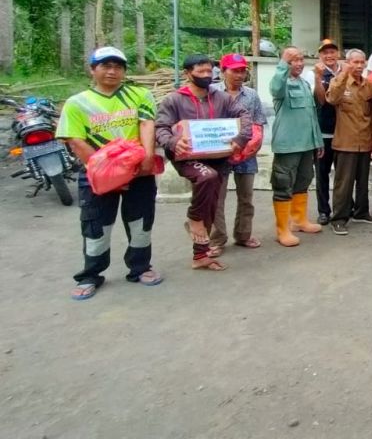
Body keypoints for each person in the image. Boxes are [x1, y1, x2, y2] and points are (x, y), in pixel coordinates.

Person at [57, 46, 161, 300]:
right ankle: (91, 274)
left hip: (139, 173)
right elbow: (76, 140)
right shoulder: (77, 103)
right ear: (93, 70)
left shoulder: (140, 95)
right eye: (105, 66)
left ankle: (139, 267)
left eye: (118, 67)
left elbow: (146, 123)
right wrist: (107, 173)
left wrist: (147, 157)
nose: (112, 71)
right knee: (96, 226)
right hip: (97, 175)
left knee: (140, 223)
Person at [155, 54, 251, 272]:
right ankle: (193, 218)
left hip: (218, 157)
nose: (207, 76)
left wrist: (241, 138)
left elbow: (244, 115)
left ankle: (200, 255)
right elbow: (161, 127)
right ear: (187, 74)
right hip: (188, 157)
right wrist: (172, 142)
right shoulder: (174, 100)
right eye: (201, 72)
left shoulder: (221, 98)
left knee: (212, 203)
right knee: (207, 177)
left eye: (210, 72)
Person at [209, 53, 267, 254]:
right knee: (217, 198)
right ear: (223, 71)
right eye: (235, 70)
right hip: (219, 154)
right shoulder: (210, 93)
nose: (239, 75)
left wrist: (254, 146)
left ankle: (243, 234)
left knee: (246, 196)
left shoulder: (251, 95)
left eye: (243, 71)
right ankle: (216, 240)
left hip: (246, 153)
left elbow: (258, 122)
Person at [269, 46, 324, 247]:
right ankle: (282, 229)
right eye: (294, 60)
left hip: (306, 144)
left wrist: (317, 141)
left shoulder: (302, 83)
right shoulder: (281, 83)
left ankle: (299, 220)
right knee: (283, 184)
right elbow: (275, 88)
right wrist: (283, 62)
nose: (299, 63)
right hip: (287, 145)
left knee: (303, 180)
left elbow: (311, 116)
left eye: (301, 59)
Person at [327, 48, 372, 235]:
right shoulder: (339, 82)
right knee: (344, 183)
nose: (358, 66)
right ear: (347, 63)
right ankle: (339, 218)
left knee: (363, 181)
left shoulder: (368, 85)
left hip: (364, 141)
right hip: (345, 142)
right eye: (354, 62)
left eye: (361, 62)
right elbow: (332, 98)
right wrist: (343, 75)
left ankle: (361, 212)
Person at [312, 38, 339, 224]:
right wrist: (317, 78)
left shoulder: (344, 71)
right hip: (323, 133)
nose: (329, 55)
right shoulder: (314, 73)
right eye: (325, 52)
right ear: (320, 55)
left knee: (344, 175)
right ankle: (323, 210)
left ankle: (344, 207)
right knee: (322, 175)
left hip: (344, 133)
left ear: (338, 53)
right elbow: (321, 101)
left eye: (332, 52)